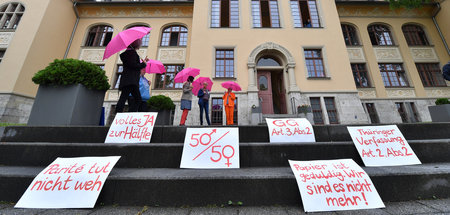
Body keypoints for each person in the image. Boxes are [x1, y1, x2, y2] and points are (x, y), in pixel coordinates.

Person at [116, 38, 148, 113]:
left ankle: (121, 114)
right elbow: (133, 65)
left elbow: (131, 64)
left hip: (127, 80)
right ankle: (128, 114)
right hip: (131, 80)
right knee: (136, 99)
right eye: (140, 43)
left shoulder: (128, 53)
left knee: (125, 98)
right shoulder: (132, 53)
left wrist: (143, 63)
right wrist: (143, 64)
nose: (141, 45)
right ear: (136, 44)